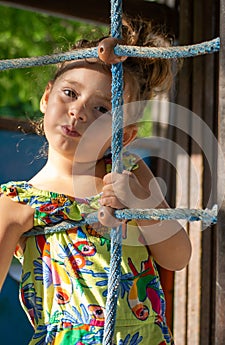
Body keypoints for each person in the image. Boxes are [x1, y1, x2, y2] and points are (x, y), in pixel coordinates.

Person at [0, 17, 191, 345]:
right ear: (47, 97)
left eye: (102, 108)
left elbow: (178, 257)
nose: (78, 112)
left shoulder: (129, 173)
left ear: (126, 135)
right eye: (70, 93)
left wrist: (140, 204)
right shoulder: (18, 203)